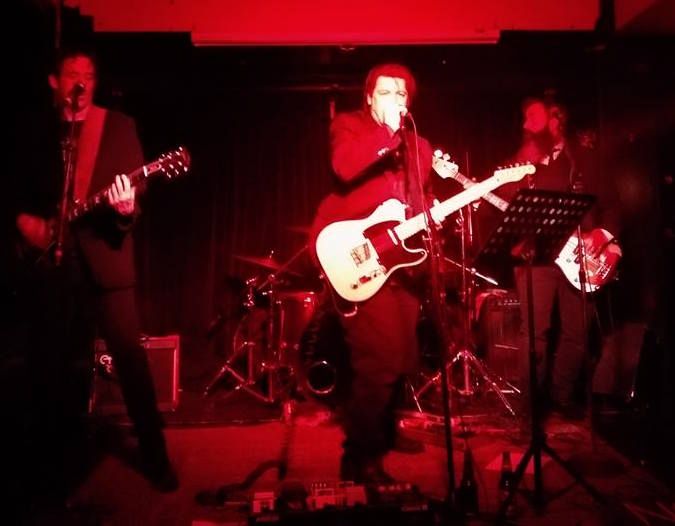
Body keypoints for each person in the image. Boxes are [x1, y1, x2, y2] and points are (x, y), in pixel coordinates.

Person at [10, 46, 178, 499]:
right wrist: (25, 223)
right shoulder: (36, 131)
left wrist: (125, 208)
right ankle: (53, 467)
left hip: (107, 260)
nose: (81, 81)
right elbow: (16, 192)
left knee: (132, 364)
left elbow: (134, 201)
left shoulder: (118, 126)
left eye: (88, 74)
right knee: (52, 366)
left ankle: (157, 459)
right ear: (55, 81)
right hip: (53, 266)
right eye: (72, 73)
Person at [309, 63, 434, 483]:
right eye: (385, 92)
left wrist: (433, 215)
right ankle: (358, 456)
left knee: (404, 356)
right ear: (368, 98)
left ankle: (385, 429)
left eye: (402, 94)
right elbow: (344, 167)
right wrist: (388, 135)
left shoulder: (420, 146)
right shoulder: (350, 127)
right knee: (379, 360)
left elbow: (419, 199)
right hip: (358, 255)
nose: (395, 100)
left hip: (402, 262)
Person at [505, 95, 601, 421]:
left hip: (578, 255)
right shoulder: (524, 160)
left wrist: (607, 238)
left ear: (555, 118)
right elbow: (505, 198)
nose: (525, 124)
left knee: (579, 330)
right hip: (537, 255)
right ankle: (531, 410)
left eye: (532, 117)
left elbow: (609, 199)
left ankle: (561, 396)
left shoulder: (581, 157)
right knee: (535, 333)